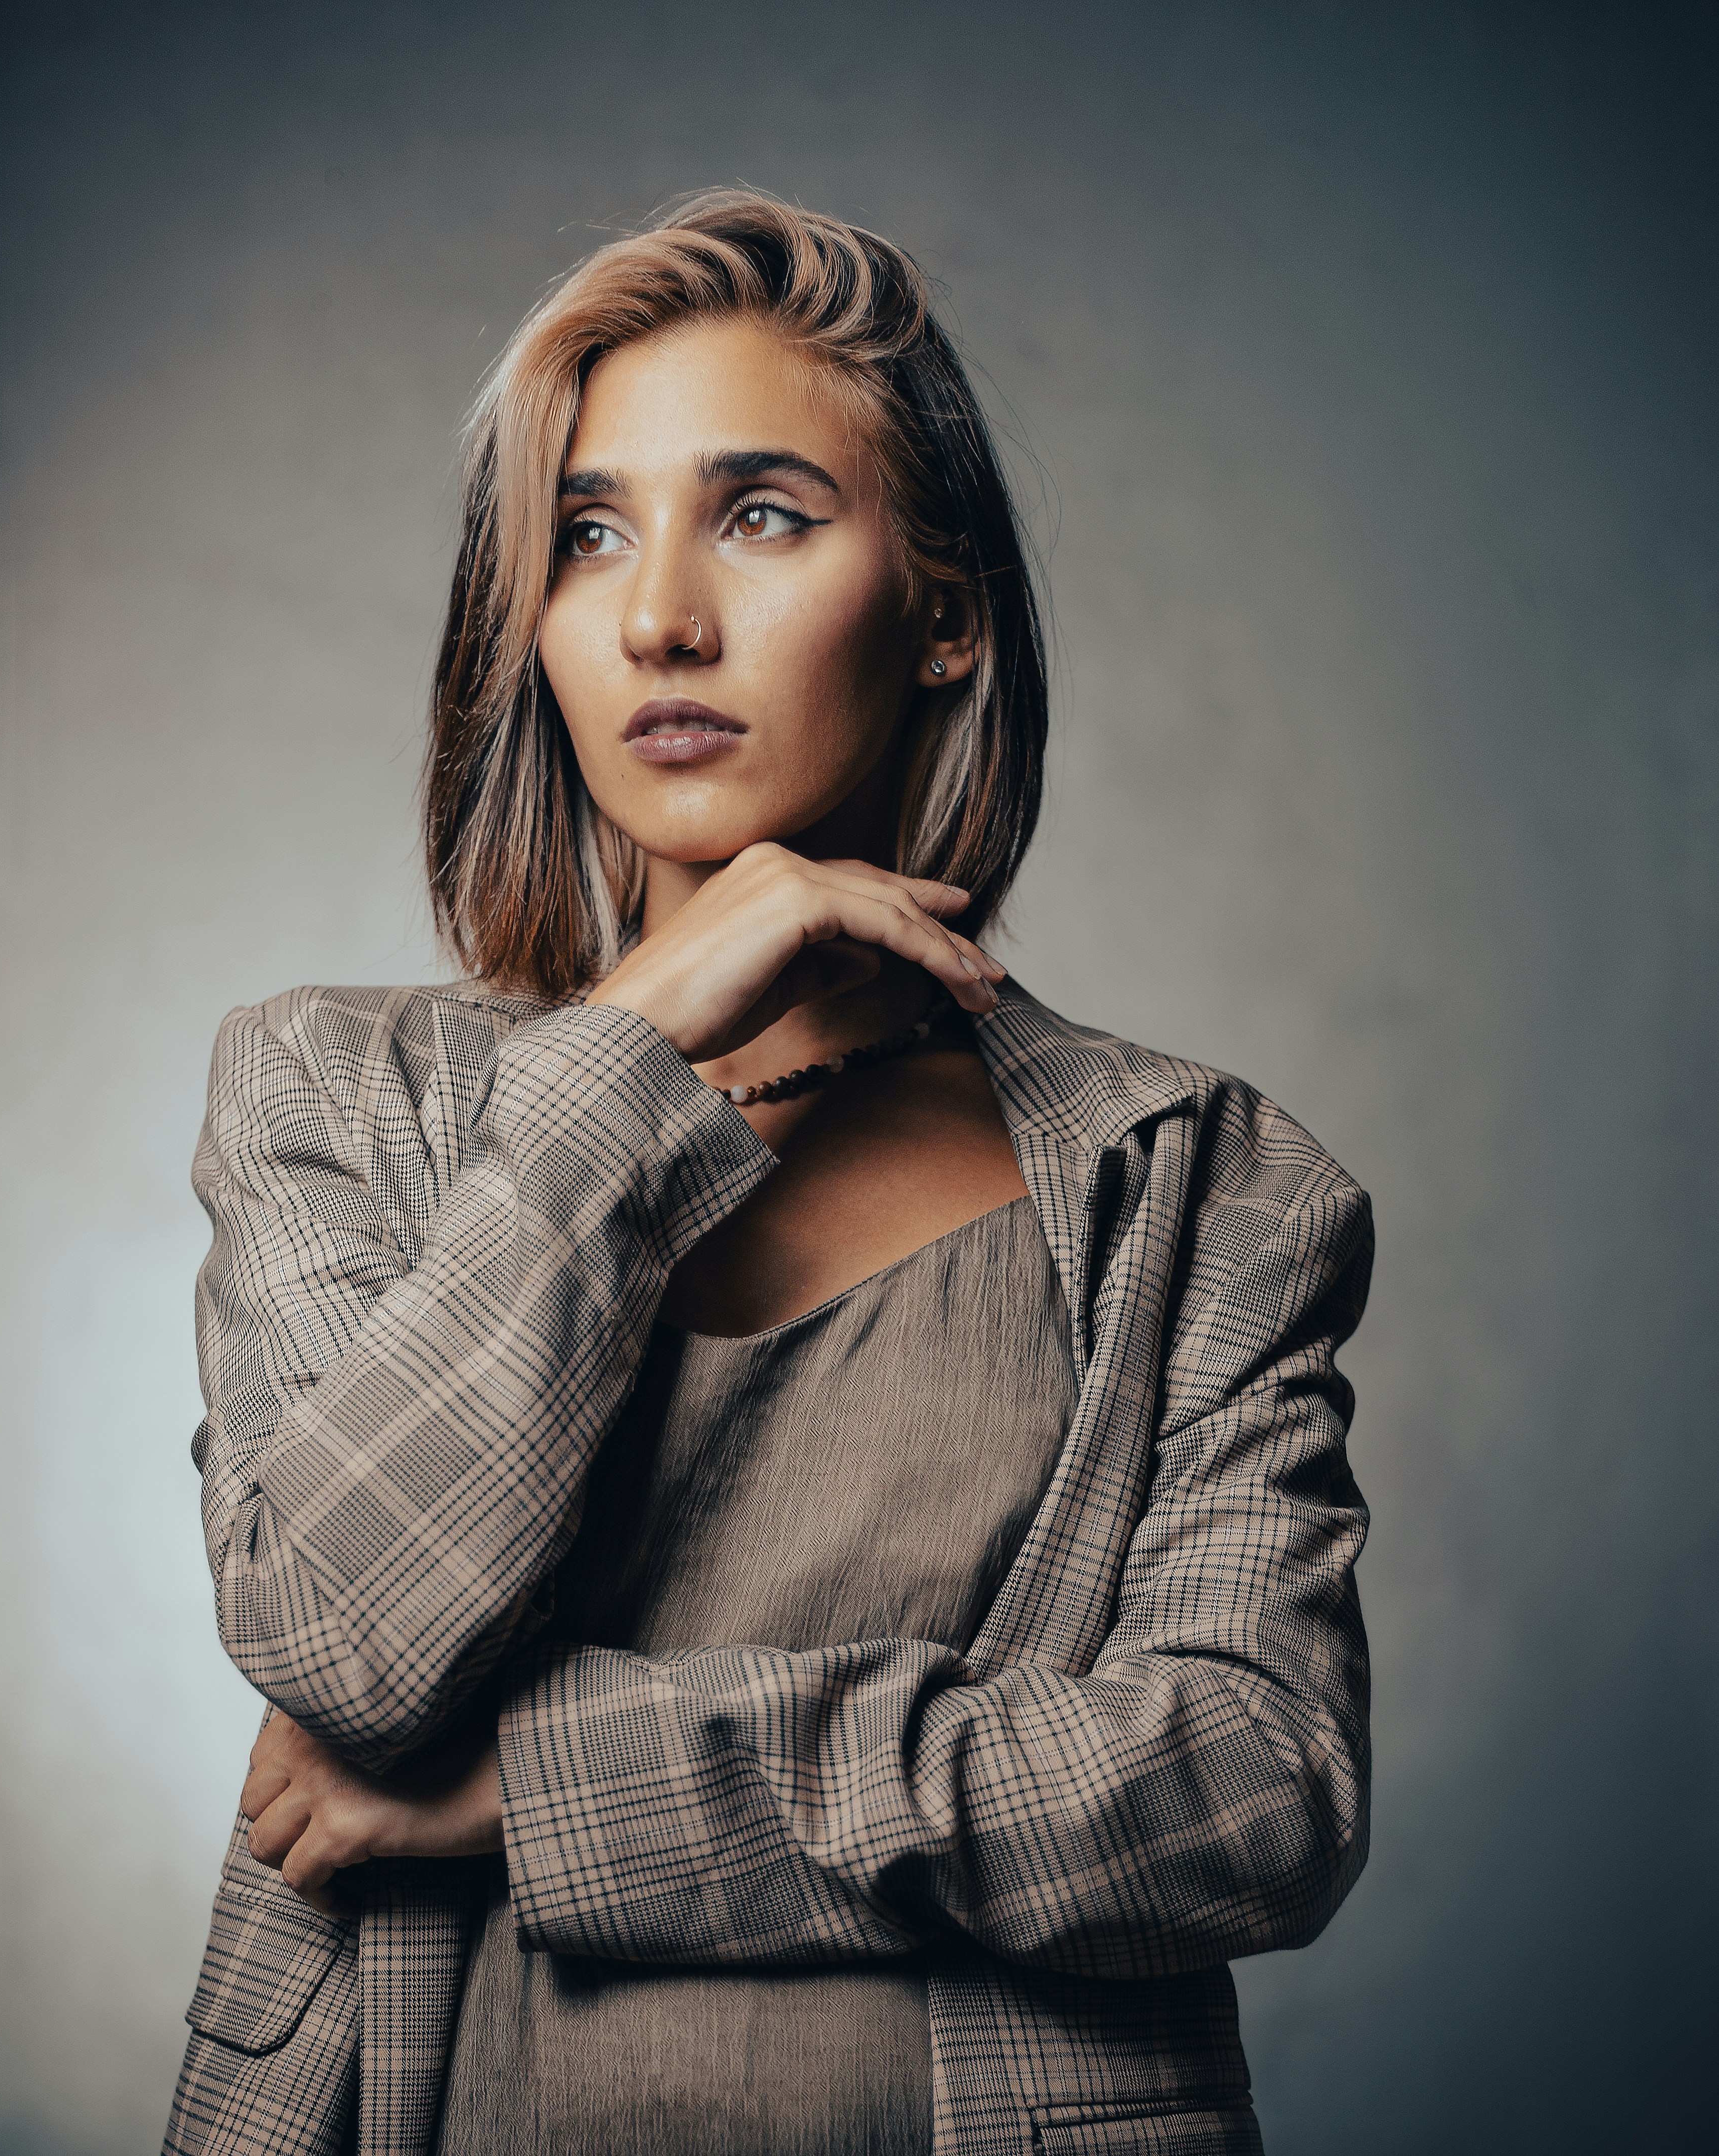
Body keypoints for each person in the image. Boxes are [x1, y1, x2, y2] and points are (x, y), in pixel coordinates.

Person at [164, 192, 1374, 2156]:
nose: (658, 615)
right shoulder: (336, 1093)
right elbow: (339, 1643)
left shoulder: (1201, 1190)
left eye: (763, 514)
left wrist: (564, 1782)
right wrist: (625, 1054)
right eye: (586, 532)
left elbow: (1253, 1786)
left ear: (945, 605)